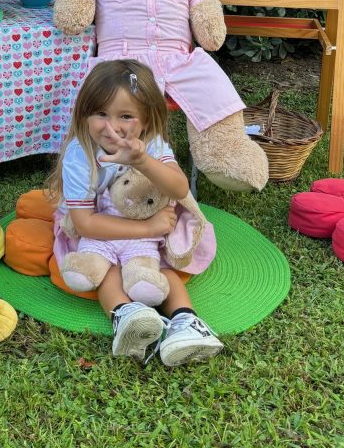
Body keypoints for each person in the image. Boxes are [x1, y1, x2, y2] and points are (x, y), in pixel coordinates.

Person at [48, 59, 223, 367]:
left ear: (146, 119)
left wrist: (142, 161)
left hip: (145, 223)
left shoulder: (151, 145)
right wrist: (148, 229)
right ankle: (127, 315)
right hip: (100, 230)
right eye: (100, 113)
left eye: (125, 116)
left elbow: (179, 187)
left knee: (160, 267)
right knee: (108, 271)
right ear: (84, 114)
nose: (111, 127)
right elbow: (84, 223)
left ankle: (187, 322)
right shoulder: (81, 153)